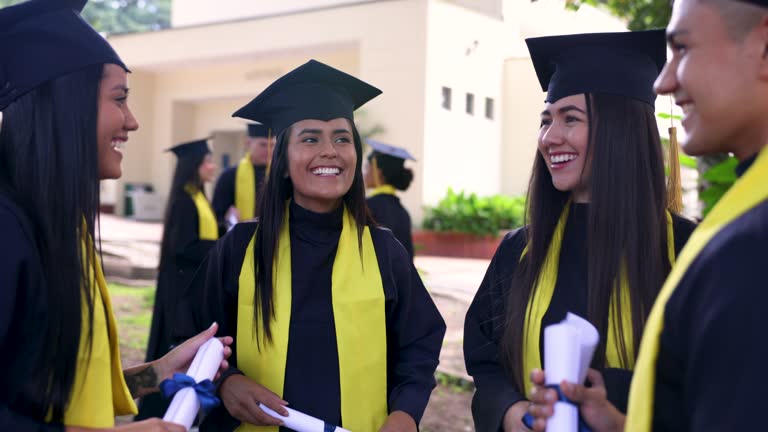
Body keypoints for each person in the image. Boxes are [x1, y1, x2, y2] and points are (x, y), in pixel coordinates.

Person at [526, 0, 768, 431]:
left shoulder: (740, 243)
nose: (665, 80)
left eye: (684, 49)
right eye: (547, 120)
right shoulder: (522, 249)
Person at [0, 1, 232, 430]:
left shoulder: (63, 228)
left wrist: (159, 372)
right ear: (63, 105)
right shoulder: (7, 228)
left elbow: (46, 394)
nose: (132, 121)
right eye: (119, 99)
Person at [180, 59, 446, 432]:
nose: (330, 151)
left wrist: (405, 413)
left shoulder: (384, 252)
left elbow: (419, 344)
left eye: (342, 138)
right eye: (310, 138)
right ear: (284, 162)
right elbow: (193, 335)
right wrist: (227, 381)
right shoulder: (241, 248)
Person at [462, 30, 697, 432]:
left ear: (620, 129)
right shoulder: (520, 250)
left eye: (571, 118)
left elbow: (709, 383)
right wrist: (511, 413)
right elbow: (486, 363)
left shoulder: (686, 252)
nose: (550, 138)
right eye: (545, 120)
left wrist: (612, 396)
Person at [137, 139, 219, 420]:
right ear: (195, 166)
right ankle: (156, 411)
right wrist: (222, 244)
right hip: (179, 288)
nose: (213, 166)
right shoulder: (185, 198)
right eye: (208, 161)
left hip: (189, 283)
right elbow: (184, 246)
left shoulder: (198, 194)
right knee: (170, 347)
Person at [212, 123, 272, 230]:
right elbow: (217, 218)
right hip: (238, 240)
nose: (268, 150)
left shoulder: (281, 175)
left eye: (272, 145)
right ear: (248, 143)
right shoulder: (229, 176)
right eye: (263, 145)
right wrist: (229, 219)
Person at [363, 139, 416, 258]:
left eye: (367, 168)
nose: (365, 174)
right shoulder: (403, 212)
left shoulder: (367, 207)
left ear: (378, 172)